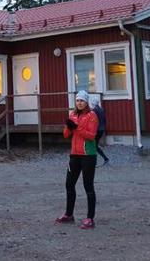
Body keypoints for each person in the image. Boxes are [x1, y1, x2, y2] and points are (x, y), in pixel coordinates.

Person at [55, 91, 99, 230]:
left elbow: (91, 136)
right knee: (69, 184)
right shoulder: (73, 115)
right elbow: (66, 135)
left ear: (86, 102)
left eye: (82, 101)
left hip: (88, 155)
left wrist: (76, 128)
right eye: (77, 100)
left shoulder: (92, 116)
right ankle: (69, 214)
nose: (79, 103)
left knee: (88, 186)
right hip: (74, 154)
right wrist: (68, 126)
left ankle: (90, 218)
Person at [90, 95, 110, 166]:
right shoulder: (101, 109)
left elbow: (93, 121)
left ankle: (99, 161)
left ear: (93, 103)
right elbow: (104, 120)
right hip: (102, 129)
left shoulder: (94, 110)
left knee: (94, 146)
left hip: (97, 130)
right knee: (95, 145)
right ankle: (105, 159)